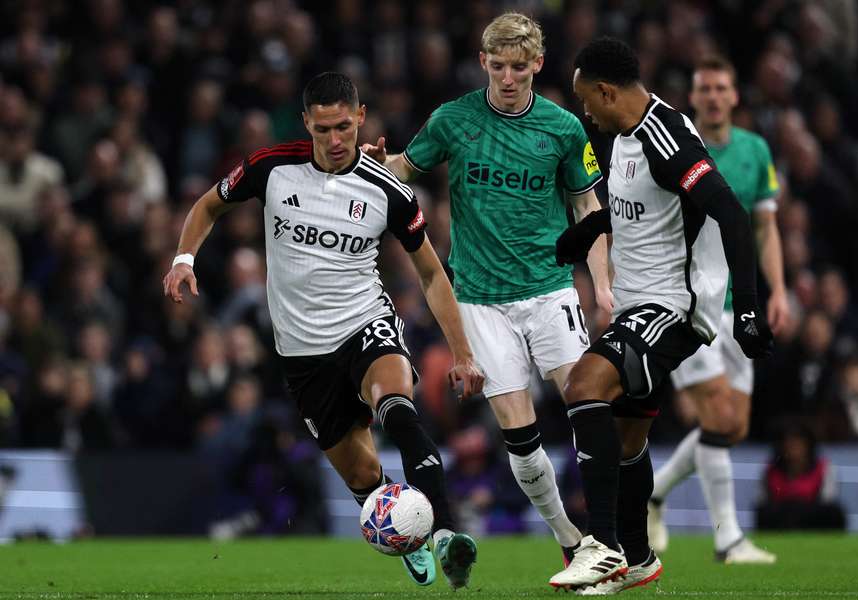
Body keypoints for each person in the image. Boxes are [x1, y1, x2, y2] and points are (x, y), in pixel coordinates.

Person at [163, 72, 484, 590]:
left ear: (360, 118)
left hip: (364, 323)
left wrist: (462, 352)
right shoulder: (271, 167)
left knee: (397, 407)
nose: (335, 141)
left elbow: (430, 272)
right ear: (306, 124)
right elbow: (208, 205)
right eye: (322, 130)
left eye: (343, 127)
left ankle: (445, 534)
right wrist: (183, 258)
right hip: (302, 353)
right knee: (361, 478)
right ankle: (407, 533)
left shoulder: (388, 191)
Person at [362, 12, 611, 565]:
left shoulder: (564, 129)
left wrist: (603, 285)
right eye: (497, 66)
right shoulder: (453, 120)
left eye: (518, 67)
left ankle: (613, 541)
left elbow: (587, 206)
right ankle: (571, 542)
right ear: (483, 63)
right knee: (521, 444)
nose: (506, 77)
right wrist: (381, 166)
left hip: (549, 291)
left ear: (537, 65)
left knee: (589, 406)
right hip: (478, 299)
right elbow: (409, 164)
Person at [549, 38, 773, 594]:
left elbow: (732, 214)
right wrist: (587, 232)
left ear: (606, 91)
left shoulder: (664, 135)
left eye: (586, 100)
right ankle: (640, 560)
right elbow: (643, 215)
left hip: (672, 306)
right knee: (626, 442)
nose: (584, 111)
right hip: (637, 303)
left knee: (583, 386)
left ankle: (599, 547)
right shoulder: (621, 137)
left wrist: (746, 308)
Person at [648, 55, 787, 564]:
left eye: (720, 88)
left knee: (732, 427)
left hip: (742, 303)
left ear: (733, 96)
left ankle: (654, 495)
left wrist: (780, 290)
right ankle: (728, 538)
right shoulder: (678, 146)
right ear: (693, 96)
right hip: (691, 301)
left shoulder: (756, 151)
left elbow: (765, 228)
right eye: (703, 88)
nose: (711, 96)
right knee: (720, 413)